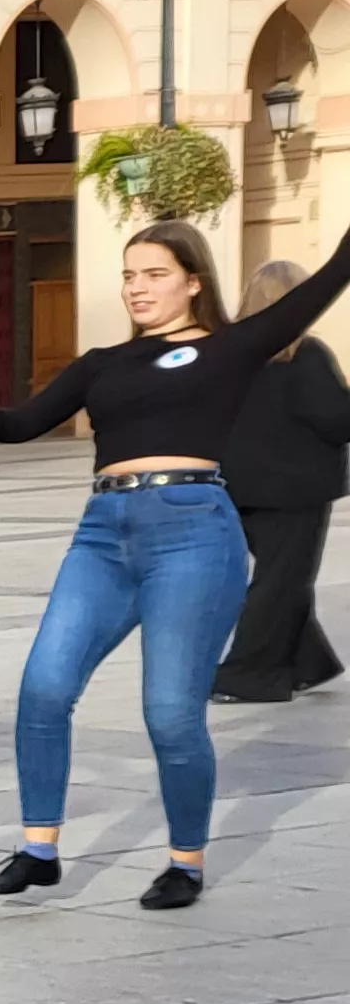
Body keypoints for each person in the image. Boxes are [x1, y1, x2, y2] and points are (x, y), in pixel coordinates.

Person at [0, 223, 350, 908]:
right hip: (102, 536)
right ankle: (38, 848)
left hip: (192, 534)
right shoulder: (103, 362)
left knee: (169, 712)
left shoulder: (235, 345)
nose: (137, 287)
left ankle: (184, 861)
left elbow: (331, 274)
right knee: (44, 689)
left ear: (193, 280)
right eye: (130, 275)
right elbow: (23, 423)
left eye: (155, 273)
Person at [212, 258, 350, 703]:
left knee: (279, 574)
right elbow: (336, 420)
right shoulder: (305, 354)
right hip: (297, 488)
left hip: (238, 485)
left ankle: (309, 664)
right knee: (282, 580)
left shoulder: (230, 351)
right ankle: (244, 674)